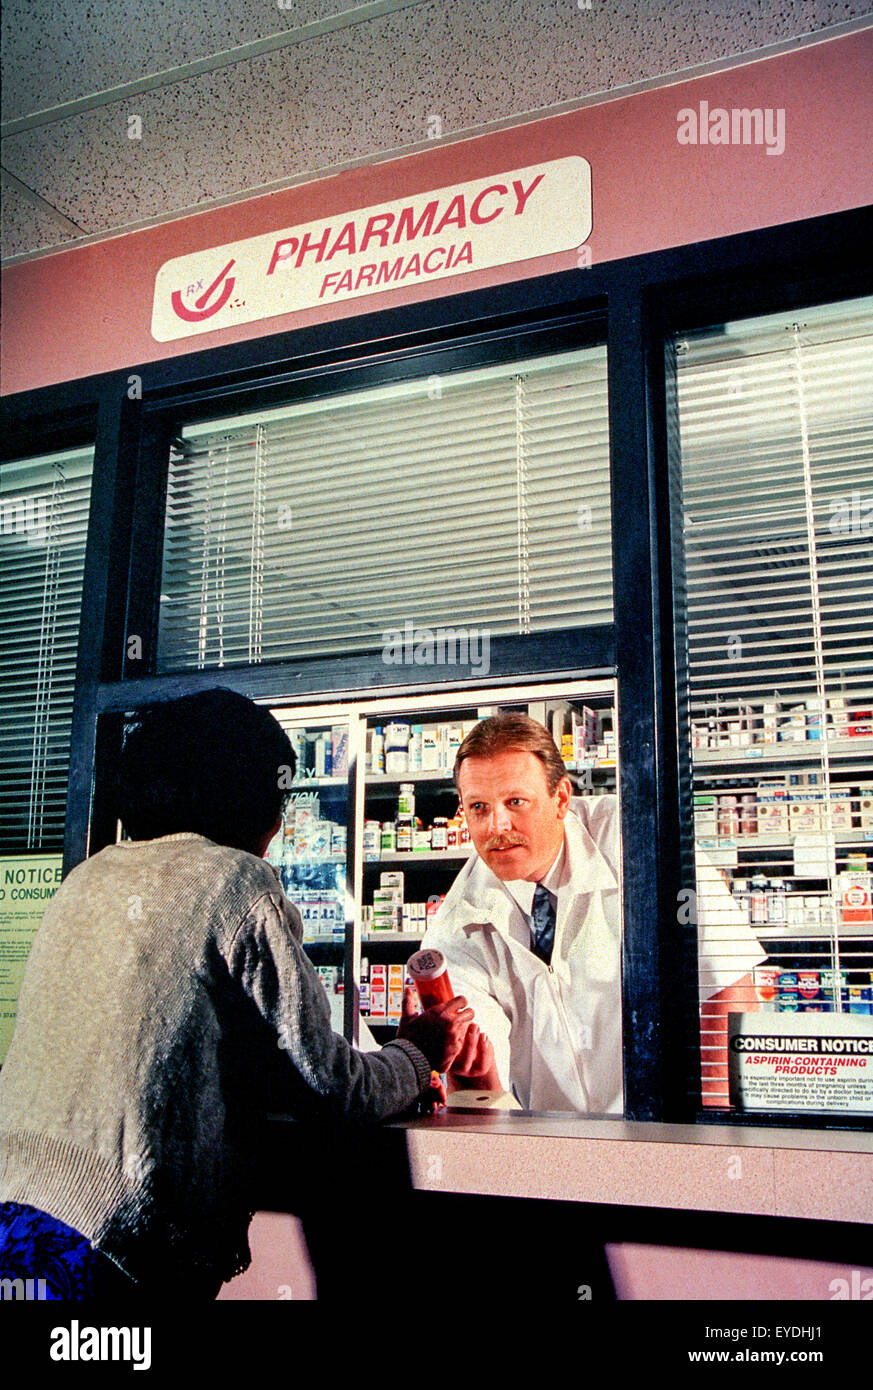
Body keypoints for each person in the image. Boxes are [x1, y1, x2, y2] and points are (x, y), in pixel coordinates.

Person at [0, 689, 473, 1299]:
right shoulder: (237, 881)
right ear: (250, 800)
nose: (278, 827)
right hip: (109, 1245)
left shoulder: (87, 879)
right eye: (279, 800)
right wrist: (417, 1053)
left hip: (16, 1212)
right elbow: (329, 1088)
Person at [421, 713, 766, 1113]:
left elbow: (725, 984)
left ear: (561, 799)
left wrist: (712, 1124)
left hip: (668, 1123)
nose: (497, 825)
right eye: (478, 807)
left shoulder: (641, 839)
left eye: (515, 802)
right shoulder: (457, 924)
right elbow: (480, 1071)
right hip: (551, 1145)